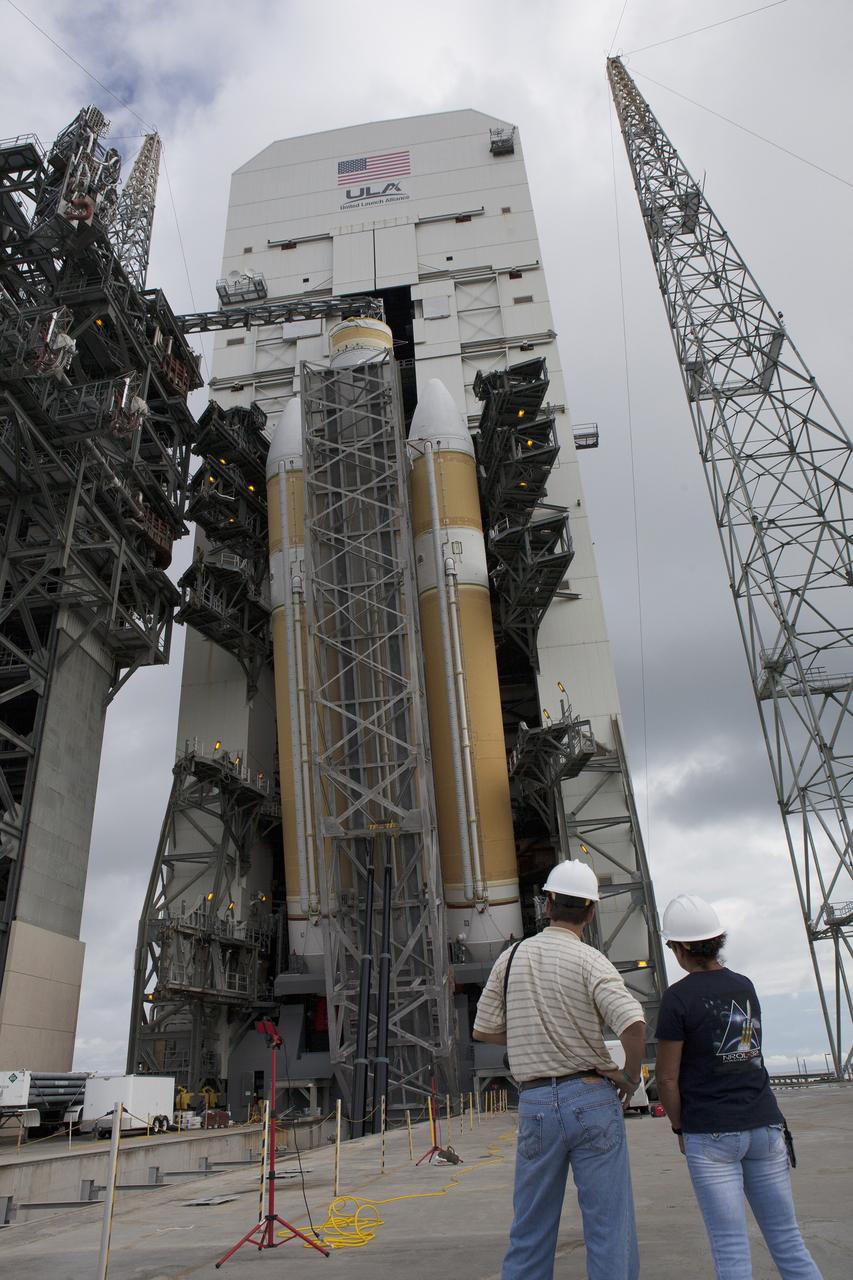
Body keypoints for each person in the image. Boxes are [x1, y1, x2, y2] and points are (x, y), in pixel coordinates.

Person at [473, 860, 646, 1280]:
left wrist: (530, 1039)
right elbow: (633, 1024)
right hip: (591, 1097)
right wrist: (630, 1077)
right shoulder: (592, 961)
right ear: (591, 912)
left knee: (530, 1228)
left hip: (535, 1105)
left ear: (546, 904)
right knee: (609, 1227)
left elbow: (483, 1029)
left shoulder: (510, 959)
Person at [655, 894, 822, 1280]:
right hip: (764, 1125)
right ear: (718, 941)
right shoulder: (744, 986)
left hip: (711, 1133)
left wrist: (680, 1128)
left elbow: (666, 1077)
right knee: (787, 1240)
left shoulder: (677, 999)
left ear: (678, 949)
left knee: (731, 1249)